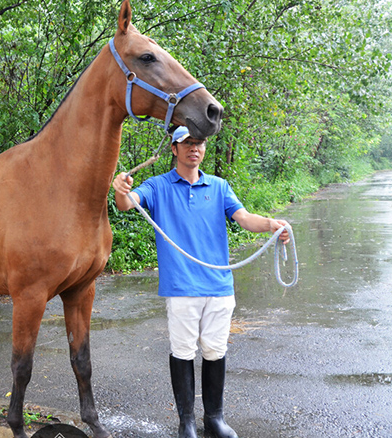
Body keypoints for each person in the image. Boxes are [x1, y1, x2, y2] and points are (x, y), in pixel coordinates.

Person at [111, 126, 290, 438]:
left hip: (219, 286)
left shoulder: (219, 186)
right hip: (181, 287)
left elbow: (245, 218)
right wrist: (120, 188)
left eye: (199, 143)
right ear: (174, 149)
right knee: (182, 351)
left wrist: (273, 225)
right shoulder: (158, 186)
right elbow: (126, 204)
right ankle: (187, 423)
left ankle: (214, 419)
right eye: (187, 143)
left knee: (215, 350)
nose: (194, 148)